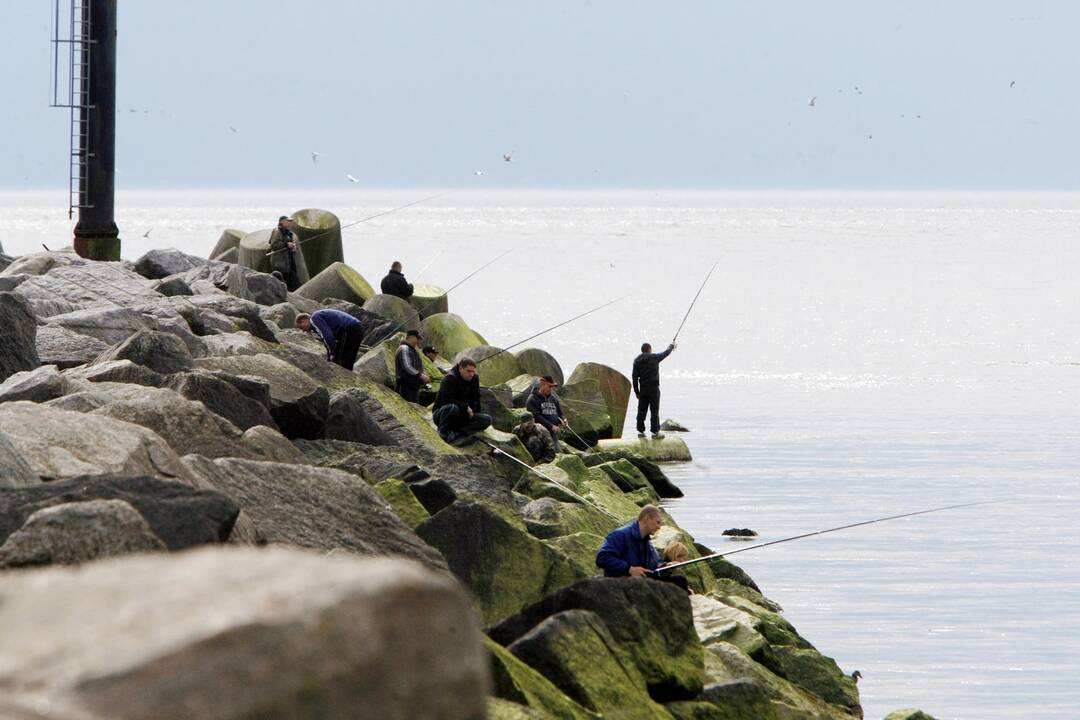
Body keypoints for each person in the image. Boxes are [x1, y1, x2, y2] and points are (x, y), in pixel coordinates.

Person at [595, 505, 690, 593]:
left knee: (680, 580)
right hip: (622, 585)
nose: (659, 527)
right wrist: (629, 569)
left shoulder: (648, 544)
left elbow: (652, 569)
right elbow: (602, 558)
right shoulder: (620, 535)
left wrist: (666, 567)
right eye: (657, 522)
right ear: (647, 518)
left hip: (642, 584)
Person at [432, 357, 492, 444]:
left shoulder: (474, 378)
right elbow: (447, 400)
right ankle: (443, 431)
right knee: (453, 408)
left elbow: (476, 398)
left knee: (487, 419)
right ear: (460, 369)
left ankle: (459, 432)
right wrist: (465, 407)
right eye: (468, 371)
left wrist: (475, 414)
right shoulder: (449, 379)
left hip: (463, 416)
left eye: (473, 371)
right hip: (444, 414)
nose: (471, 374)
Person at [632, 341, 676, 439]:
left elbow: (634, 378)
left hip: (643, 390)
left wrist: (637, 392)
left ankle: (641, 431)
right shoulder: (654, 357)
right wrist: (671, 346)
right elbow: (666, 353)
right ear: (649, 349)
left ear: (642, 350)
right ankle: (655, 432)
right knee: (654, 411)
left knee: (641, 411)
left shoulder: (636, 361)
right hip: (654, 389)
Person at [296, 309, 364, 370]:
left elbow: (328, 337)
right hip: (356, 327)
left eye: (301, 327)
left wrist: (331, 354)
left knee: (341, 360)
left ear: (303, 321)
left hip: (349, 329)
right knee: (348, 359)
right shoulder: (317, 317)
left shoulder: (314, 319)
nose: (303, 331)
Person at [525, 375, 565, 451]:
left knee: (557, 453)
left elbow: (560, 413)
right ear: (542, 385)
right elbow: (536, 416)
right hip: (539, 435)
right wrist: (551, 426)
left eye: (552, 387)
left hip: (553, 436)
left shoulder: (554, 399)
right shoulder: (532, 399)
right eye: (549, 386)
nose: (551, 389)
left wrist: (563, 420)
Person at [395, 330, 430, 403]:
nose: (418, 341)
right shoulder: (404, 348)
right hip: (404, 386)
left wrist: (424, 375)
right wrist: (420, 375)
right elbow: (407, 366)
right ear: (411, 337)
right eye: (417, 339)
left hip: (413, 386)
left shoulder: (413, 350)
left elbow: (419, 366)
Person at [269, 216, 302, 291]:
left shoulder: (288, 232)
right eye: (288, 221)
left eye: (290, 221)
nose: (290, 223)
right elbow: (274, 245)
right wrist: (286, 244)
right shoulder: (277, 231)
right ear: (282, 222)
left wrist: (293, 248)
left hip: (288, 264)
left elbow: (289, 244)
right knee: (290, 284)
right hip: (280, 264)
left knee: (293, 284)